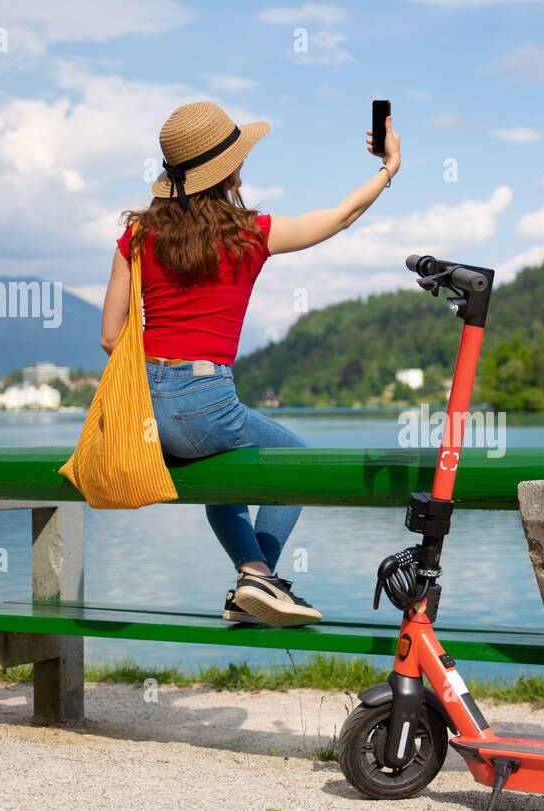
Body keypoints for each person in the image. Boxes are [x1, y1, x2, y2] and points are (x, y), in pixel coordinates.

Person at [98, 101, 401, 627]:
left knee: (226, 485)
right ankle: (258, 579)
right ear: (229, 169)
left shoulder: (139, 236)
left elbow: (109, 336)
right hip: (207, 402)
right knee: (299, 464)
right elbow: (340, 216)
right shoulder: (248, 233)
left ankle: (253, 574)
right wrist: (388, 169)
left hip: (144, 411)